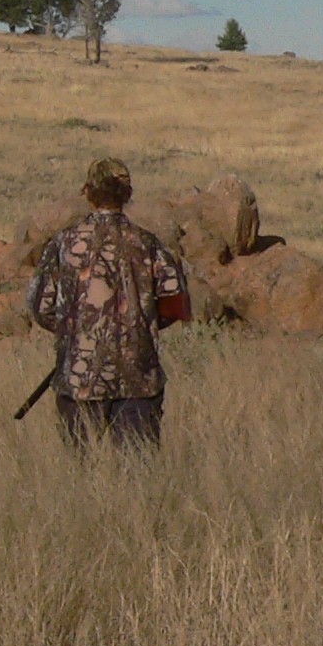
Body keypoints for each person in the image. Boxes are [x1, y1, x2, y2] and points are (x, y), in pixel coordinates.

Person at [26, 158, 190, 448]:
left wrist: (75, 333)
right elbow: (176, 304)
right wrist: (141, 324)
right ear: (127, 194)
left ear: (88, 192)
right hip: (138, 379)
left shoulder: (64, 244)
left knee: (79, 475)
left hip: (78, 379)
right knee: (139, 478)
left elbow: (40, 306)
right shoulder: (148, 243)